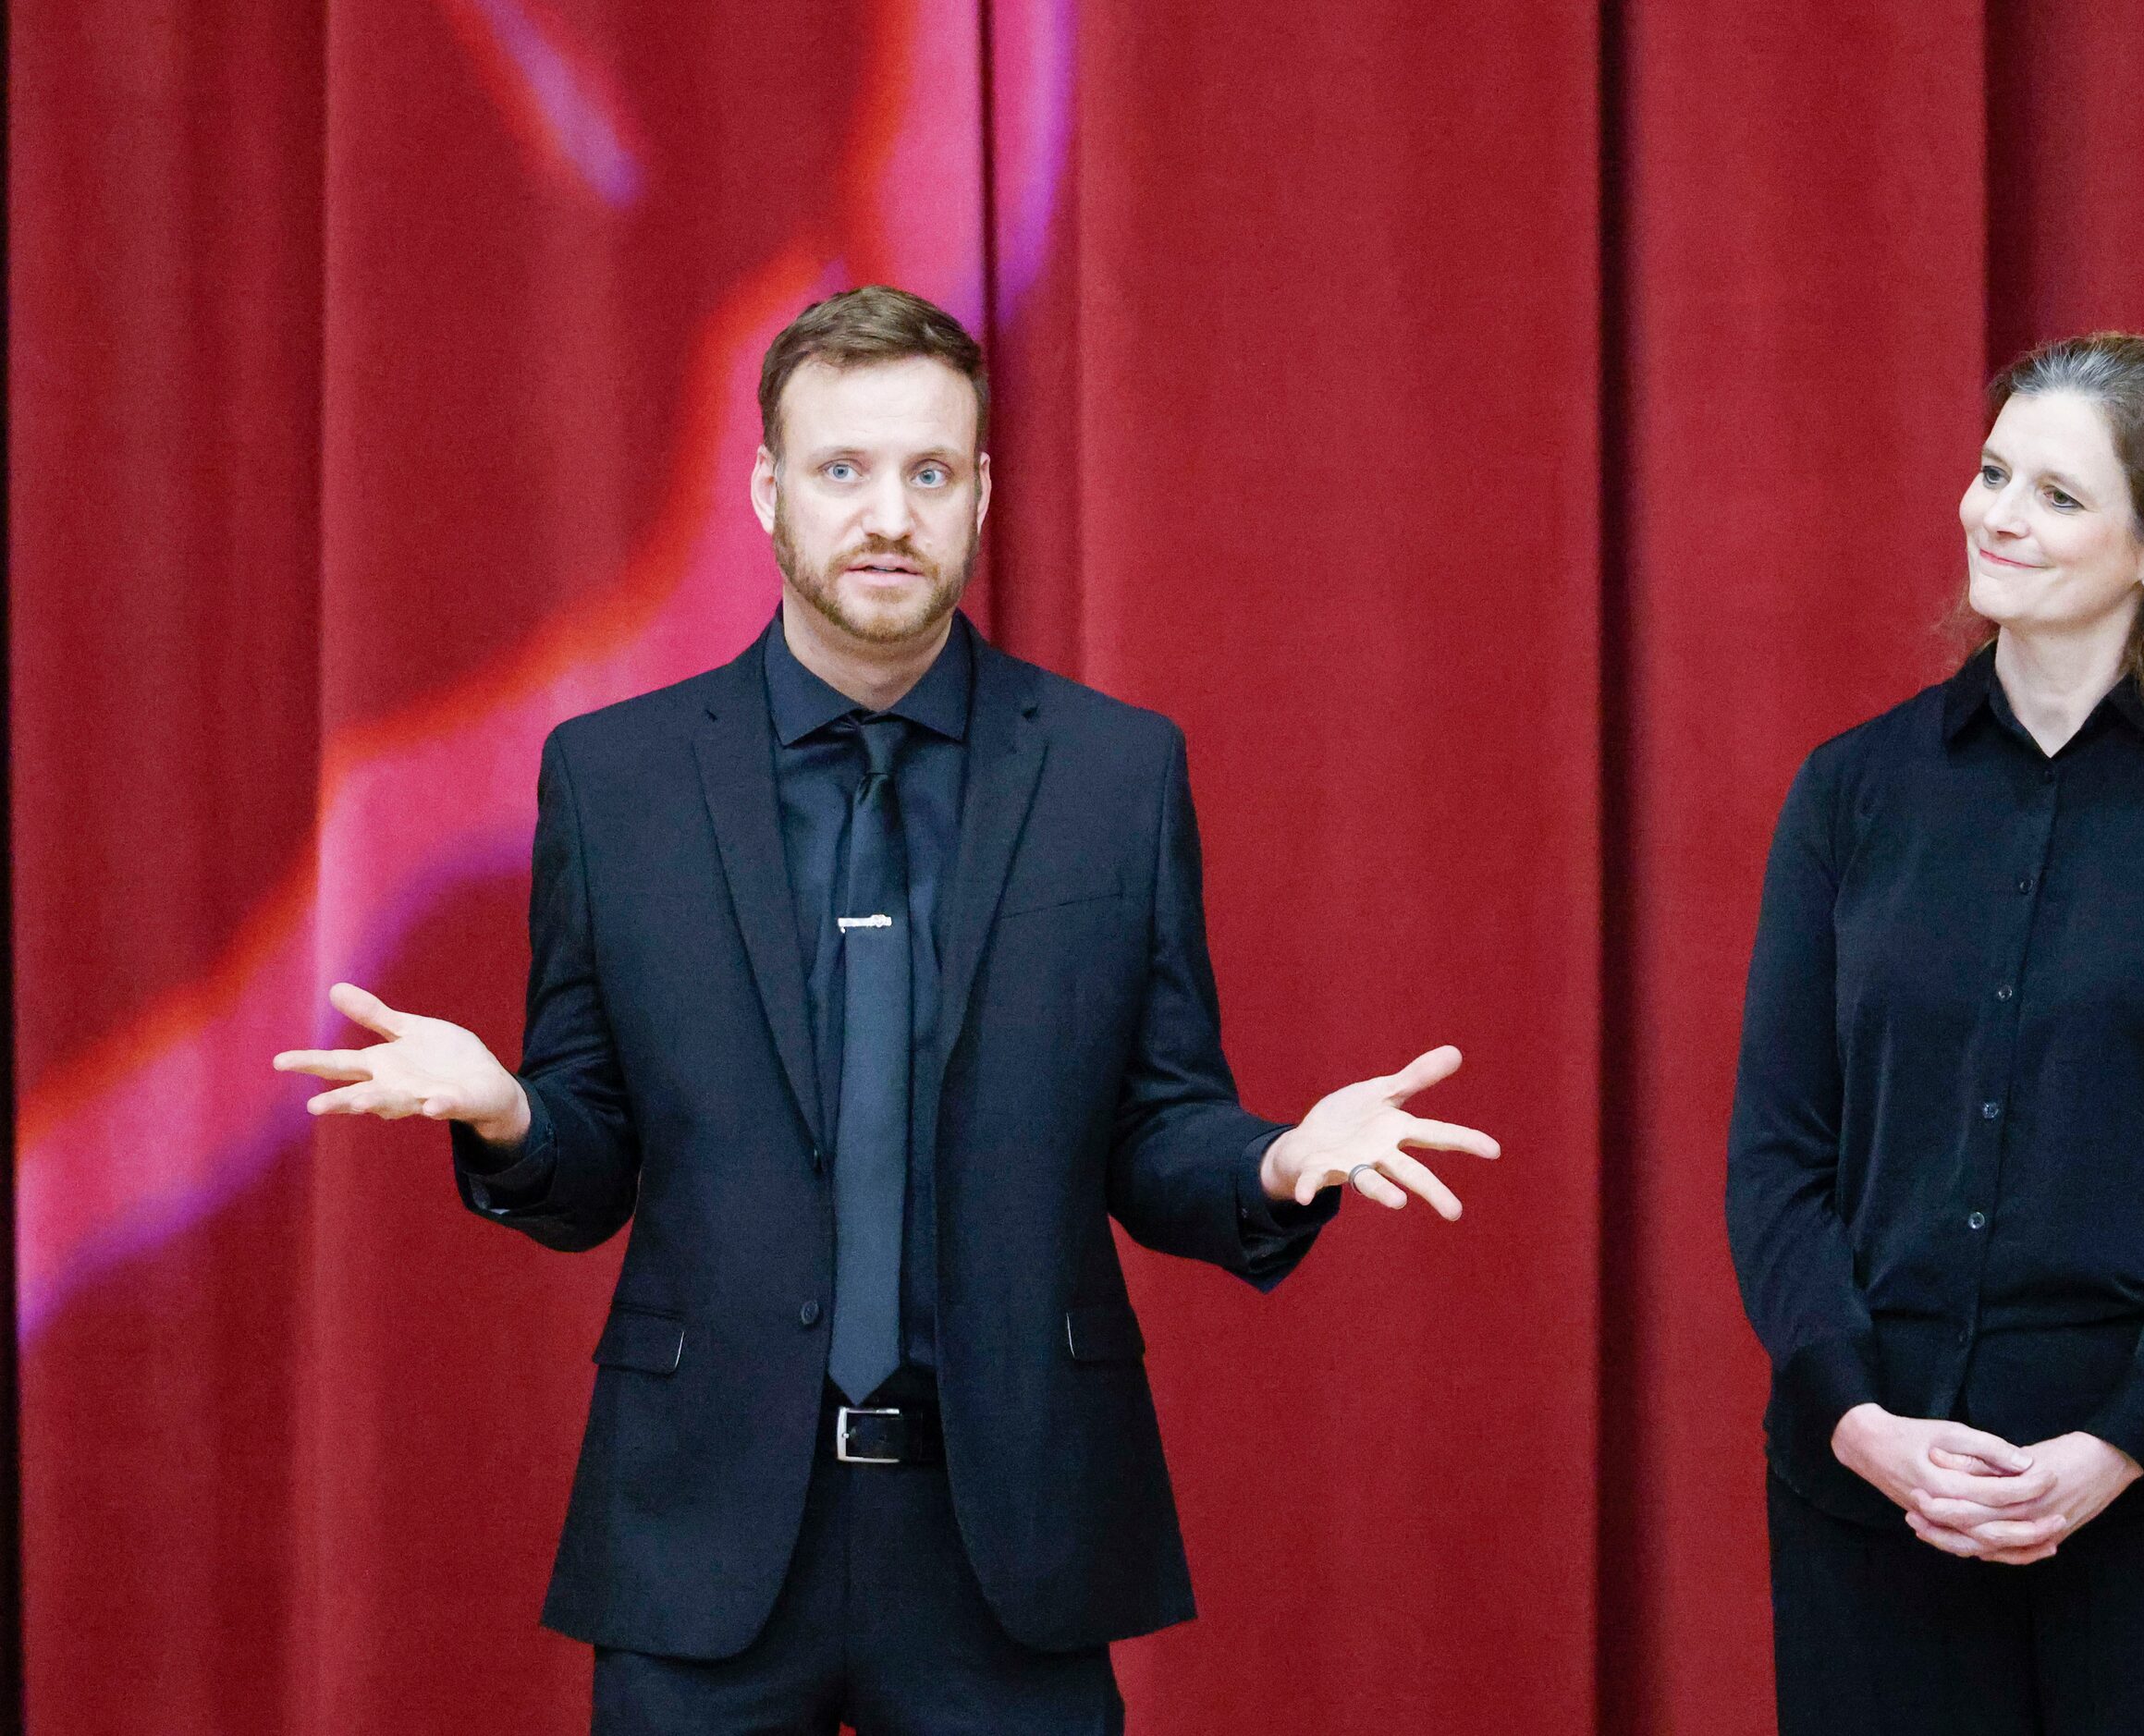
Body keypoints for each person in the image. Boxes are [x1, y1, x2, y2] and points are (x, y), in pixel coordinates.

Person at [275, 285, 1500, 1735]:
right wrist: (514, 1114)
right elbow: (587, 1170)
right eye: (841, 469)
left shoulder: (1115, 775)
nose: (887, 514)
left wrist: (1277, 1161)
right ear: (765, 490)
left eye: (929, 472)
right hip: (707, 1531)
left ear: (980, 492)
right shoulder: (617, 782)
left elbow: (1158, 1126)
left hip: (1010, 1532)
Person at [1726, 332, 2144, 1732]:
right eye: (1992, 469)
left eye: (2059, 494)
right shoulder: (1851, 792)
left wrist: (2121, 1441)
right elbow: (1777, 1157)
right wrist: (1860, 1422)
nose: (1998, 513)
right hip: (1882, 1505)